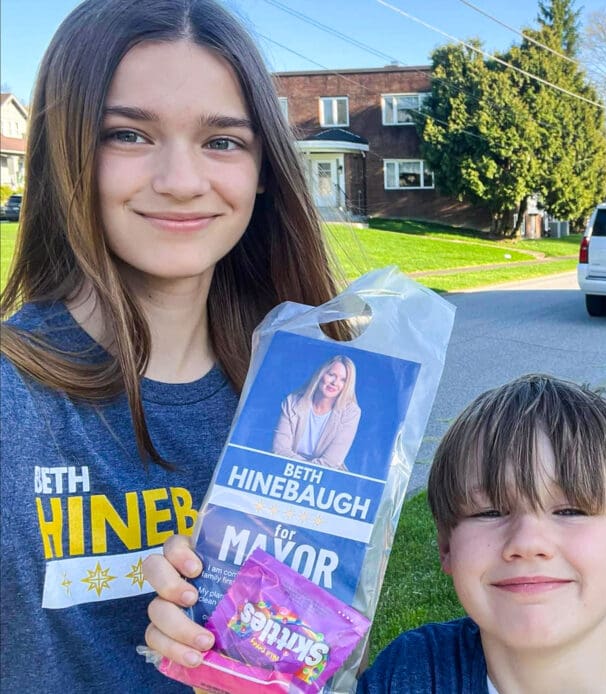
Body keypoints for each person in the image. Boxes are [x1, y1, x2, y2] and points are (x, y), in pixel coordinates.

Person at [0, 0, 345, 691]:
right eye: (128, 135)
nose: (182, 182)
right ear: (66, 152)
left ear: (263, 172)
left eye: (223, 142)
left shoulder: (301, 391)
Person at [144, 375, 606, 693]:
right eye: (490, 511)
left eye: (570, 511)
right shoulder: (409, 676)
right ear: (446, 545)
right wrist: (234, 668)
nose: (528, 541)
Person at [272, 355, 361, 470]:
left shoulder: (351, 413)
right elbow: (279, 450)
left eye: (343, 380)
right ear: (320, 374)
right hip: (286, 469)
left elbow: (330, 462)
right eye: (331, 375)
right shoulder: (292, 402)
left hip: (327, 478)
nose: (335, 382)